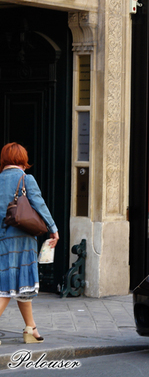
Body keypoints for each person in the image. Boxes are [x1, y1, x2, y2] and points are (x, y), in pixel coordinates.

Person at [0, 142, 59, 344]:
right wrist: (53, 229)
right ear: (22, 160)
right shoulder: (26, 179)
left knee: (19, 286)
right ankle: (30, 328)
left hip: (2, 239)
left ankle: (31, 328)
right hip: (22, 240)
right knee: (7, 287)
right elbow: (38, 204)